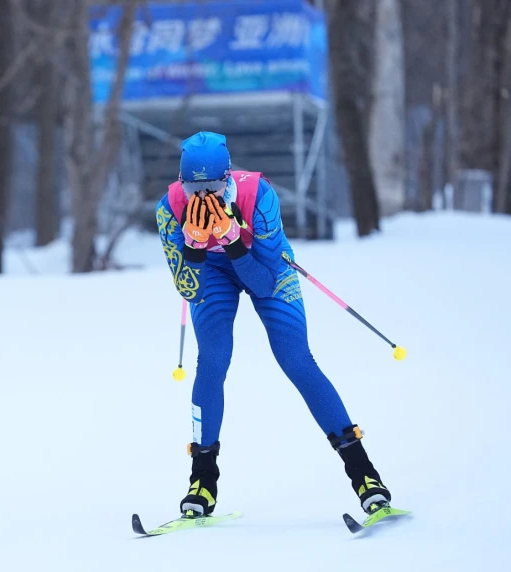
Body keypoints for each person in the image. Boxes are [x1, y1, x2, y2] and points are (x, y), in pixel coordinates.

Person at [154, 131, 392, 517]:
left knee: (296, 359)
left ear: (227, 177)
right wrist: (194, 251)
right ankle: (202, 483)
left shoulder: (257, 195)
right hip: (212, 272)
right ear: (183, 183)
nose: (203, 197)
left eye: (213, 185)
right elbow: (187, 288)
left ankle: (365, 475)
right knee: (212, 361)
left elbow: (264, 283)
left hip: (262, 264)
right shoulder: (170, 208)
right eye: (194, 187)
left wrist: (233, 242)